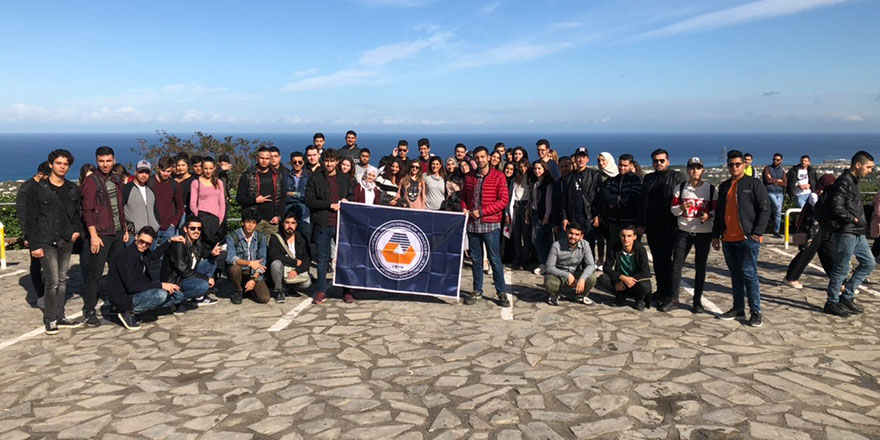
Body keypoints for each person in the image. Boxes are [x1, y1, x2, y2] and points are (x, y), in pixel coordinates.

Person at [26, 150, 84, 334]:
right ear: (51, 164)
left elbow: (76, 214)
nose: (62, 167)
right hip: (45, 240)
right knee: (52, 281)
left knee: (62, 279)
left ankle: (60, 315)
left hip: (66, 240)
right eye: (59, 163)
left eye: (66, 164)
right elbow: (31, 218)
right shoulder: (37, 189)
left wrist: (76, 231)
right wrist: (34, 245)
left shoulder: (72, 189)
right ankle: (51, 319)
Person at [713, 150, 771, 327]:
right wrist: (716, 235)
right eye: (731, 164)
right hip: (728, 239)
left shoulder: (753, 184)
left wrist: (757, 233)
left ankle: (755, 312)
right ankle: (738, 308)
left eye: (737, 164)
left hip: (747, 238)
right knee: (735, 275)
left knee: (749, 274)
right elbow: (719, 214)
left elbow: (765, 209)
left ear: (744, 165)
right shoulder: (723, 187)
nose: (734, 167)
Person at [822, 151, 875, 317]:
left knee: (869, 263)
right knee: (842, 268)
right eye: (868, 167)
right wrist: (854, 219)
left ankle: (847, 295)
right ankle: (832, 301)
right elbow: (836, 207)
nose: (870, 171)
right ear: (858, 165)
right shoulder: (844, 182)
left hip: (857, 233)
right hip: (847, 231)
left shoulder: (853, 181)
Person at [81, 146, 129, 327]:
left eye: (108, 161)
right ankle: (89, 310)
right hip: (101, 234)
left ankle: (116, 304)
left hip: (117, 232)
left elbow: (119, 207)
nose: (105, 164)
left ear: (114, 160)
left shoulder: (116, 180)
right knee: (95, 273)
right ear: (96, 161)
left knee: (116, 271)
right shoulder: (92, 181)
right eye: (101, 161)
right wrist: (93, 235)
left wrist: (124, 230)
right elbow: (88, 210)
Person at [108, 226, 185, 330]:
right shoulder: (126, 256)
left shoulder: (143, 252)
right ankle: (127, 312)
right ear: (136, 237)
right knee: (161, 295)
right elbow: (132, 287)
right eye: (141, 241)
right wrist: (161, 285)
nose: (143, 245)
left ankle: (141, 310)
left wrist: (170, 240)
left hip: (137, 292)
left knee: (178, 295)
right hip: (123, 297)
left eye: (147, 243)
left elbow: (154, 255)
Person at [305, 148, 355, 304]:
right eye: (326, 161)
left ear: (337, 162)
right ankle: (321, 291)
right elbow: (309, 201)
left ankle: (347, 291)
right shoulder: (315, 179)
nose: (329, 164)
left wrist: (348, 200)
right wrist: (329, 205)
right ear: (323, 161)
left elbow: (351, 195)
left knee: (344, 260)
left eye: (332, 161)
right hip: (323, 225)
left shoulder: (345, 179)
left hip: (342, 225)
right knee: (322, 260)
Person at [461, 147, 510, 307]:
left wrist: (481, 212)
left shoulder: (499, 176)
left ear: (488, 157)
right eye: (477, 157)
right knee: (476, 260)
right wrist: (464, 207)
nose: (480, 160)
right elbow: (464, 197)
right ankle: (477, 291)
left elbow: (503, 201)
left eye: (483, 157)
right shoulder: (469, 177)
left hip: (491, 225)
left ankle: (501, 292)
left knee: (495, 259)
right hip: (473, 226)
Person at [669, 157, 717, 313]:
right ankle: (674, 298)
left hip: (704, 233)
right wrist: (682, 207)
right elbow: (673, 210)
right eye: (692, 168)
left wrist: (708, 215)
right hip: (684, 230)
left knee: (700, 266)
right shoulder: (680, 188)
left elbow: (717, 210)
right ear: (687, 170)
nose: (695, 171)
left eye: (698, 168)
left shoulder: (711, 189)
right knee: (677, 265)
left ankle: (697, 301)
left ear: (703, 170)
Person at [638, 149, 684, 309]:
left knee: (668, 261)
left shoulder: (677, 177)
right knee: (657, 260)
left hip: (670, 226)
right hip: (652, 226)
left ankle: (670, 295)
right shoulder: (648, 178)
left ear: (668, 161)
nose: (658, 163)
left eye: (662, 160)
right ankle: (661, 290)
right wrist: (642, 223)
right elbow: (643, 201)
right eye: (656, 161)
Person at [783, 174, 836, 288]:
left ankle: (838, 282)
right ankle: (790, 277)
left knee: (829, 255)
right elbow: (820, 208)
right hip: (813, 230)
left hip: (825, 229)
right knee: (806, 254)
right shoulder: (814, 195)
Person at [160, 217, 222, 312]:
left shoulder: (197, 243)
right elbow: (182, 270)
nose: (196, 231)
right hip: (175, 280)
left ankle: (198, 297)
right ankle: (177, 300)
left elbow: (204, 254)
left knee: (211, 262)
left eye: (199, 229)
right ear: (185, 229)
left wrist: (212, 254)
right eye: (192, 228)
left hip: (187, 274)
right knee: (203, 285)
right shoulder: (179, 244)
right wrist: (206, 278)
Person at [17, 161, 49, 307]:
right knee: (36, 264)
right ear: (41, 174)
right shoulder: (27, 189)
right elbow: (24, 215)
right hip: (34, 233)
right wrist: (28, 236)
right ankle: (41, 294)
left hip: (46, 231)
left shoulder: (40, 186)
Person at [544, 222, 599, 306]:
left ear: (581, 236)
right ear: (567, 233)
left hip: (575, 272)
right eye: (571, 233)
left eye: (577, 234)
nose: (573, 237)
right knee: (550, 283)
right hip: (559, 274)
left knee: (592, 278)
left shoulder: (585, 245)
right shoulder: (556, 245)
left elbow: (591, 265)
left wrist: (582, 279)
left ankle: (580, 296)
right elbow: (549, 267)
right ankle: (554, 295)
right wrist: (567, 275)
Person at [597, 225, 652, 310]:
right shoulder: (615, 248)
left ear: (635, 237)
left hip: (635, 281)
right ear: (620, 236)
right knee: (603, 279)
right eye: (623, 236)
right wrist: (622, 277)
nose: (626, 239)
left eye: (629, 236)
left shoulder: (640, 249)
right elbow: (606, 267)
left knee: (645, 286)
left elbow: (645, 272)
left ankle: (639, 299)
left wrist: (629, 280)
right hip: (621, 280)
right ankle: (621, 295)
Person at [601, 154, 642, 261]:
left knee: (629, 249)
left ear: (631, 165)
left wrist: (616, 201)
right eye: (620, 165)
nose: (622, 168)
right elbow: (606, 196)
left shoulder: (636, 180)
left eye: (625, 165)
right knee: (611, 248)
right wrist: (618, 199)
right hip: (613, 221)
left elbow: (632, 199)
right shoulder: (613, 180)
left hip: (629, 221)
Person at [237, 147, 285, 237]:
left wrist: (279, 216)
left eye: (267, 158)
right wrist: (255, 200)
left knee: (271, 248)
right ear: (257, 158)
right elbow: (239, 197)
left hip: (272, 221)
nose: (264, 161)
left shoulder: (277, 175)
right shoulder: (247, 175)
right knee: (253, 248)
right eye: (262, 158)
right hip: (253, 221)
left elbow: (283, 197)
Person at [226, 208, 270, 305]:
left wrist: (254, 279)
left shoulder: (261, 237)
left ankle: (249, 289)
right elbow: (230, 258)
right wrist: (249, 263)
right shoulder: (232, 236)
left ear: (256, 224)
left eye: (253, 222)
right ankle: (238, 290)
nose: (250, 225)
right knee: (234, 269)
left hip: (253, 273)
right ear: (243, 222)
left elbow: (262, 262)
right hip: (240, 271)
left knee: (264, 298)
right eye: (247, 222)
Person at [560, 148, 603, 247]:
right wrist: (565, 217)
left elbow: (600, 197)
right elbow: (565, 199)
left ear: (587, 159)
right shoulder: (569, 177)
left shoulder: (594, 175)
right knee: (573, 244)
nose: (581, 160)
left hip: (588, 217)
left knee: (588, 245)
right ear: (575, 159)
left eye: (583, 157)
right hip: (573, 217)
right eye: (578, 157)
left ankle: (588, 263)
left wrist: (598, 215)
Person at [268, 212, 313, 302]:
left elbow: (308, 259)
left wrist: (297, 271)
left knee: (307, 283)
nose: (290, 226)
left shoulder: (302, 238)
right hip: (282, 268)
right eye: (287, 222)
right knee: (275, 264)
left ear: (296, 225)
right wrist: (294, 262)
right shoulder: (275, 237)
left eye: (293, 223)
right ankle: (279, 290)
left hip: (295, 269)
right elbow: (274, 255)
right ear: (282, 224)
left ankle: (291, 288)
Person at [190, 157, 227, 248]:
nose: (208, 171)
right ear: (202, 168)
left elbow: (222, 202)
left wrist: (220, 220)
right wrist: (199, 218)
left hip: (215, 219)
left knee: (215, 246)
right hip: (202, 218)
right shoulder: (196, 183)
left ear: (214, 168)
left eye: (210, 168)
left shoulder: (219, 182)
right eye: (206, 168)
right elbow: (192, 203)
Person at [123, 160, 161, 246]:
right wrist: (127, 228)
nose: (144, 175)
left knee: (150, 259)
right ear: (135, 172)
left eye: (147, 172)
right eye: (141, 171)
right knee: (132, 259)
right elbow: (120, 211)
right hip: (134, 235)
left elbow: (155, 209)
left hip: (151, 235)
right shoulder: (126, 189)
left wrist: (157, 225)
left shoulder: (151, 190)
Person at [527, 161, 555, 274]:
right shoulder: (534, 182)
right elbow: (532, 199)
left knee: (537, 239)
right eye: (535, 168)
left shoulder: (548, 184)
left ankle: (544, 263)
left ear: (544, 169)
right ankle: (547, 263)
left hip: (543, 215)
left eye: (539, 168)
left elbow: (548, 201)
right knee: (543, 240)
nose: (537, 171)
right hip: (534, 213)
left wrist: (547, 216)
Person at [150, 156, 184, 247]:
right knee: (149, 255)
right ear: (158, 168)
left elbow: (180, 206)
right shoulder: (149, 182)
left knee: (166, 256)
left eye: (168, 171)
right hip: (151, 226)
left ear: (172, 169)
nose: (165, 174)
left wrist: (174, 223)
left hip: (168, 227)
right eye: (163, 170)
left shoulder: (175, 185)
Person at [507, 159, 532, 270]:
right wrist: (508, 212)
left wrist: (527, 211)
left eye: (525, 166)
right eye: (520, 166)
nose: (523, 169)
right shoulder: (515, 180)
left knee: (526, 236)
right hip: (516, 206)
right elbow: (510, 197)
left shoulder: (531, 179)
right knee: (516, 235)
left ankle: (524, 260)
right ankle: (517, 259)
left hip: (526, 207)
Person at [595, 152, 619, 266]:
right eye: (599, 161)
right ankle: (600, 259)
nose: (601, 163)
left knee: (611, 238)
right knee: (600, 237)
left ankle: (610, 261)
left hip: (613, 212)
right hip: (600, 210)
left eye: (603, 160)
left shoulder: (616, 175)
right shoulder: (597, 175)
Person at [286, 151, 311, 239]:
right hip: (288, 210)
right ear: (291, 163)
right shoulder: (285, 177)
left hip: (305, 211)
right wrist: (301, 196)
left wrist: (293, 194)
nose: (297, 164)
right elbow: (284, 196)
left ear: (303, 162)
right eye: (294, 162)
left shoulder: (309, 178)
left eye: (299, 162)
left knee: (305, 235)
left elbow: (308, 196)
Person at [762, 153, 786, 238]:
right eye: (774, 159)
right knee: (776, 206)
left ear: (781, 160)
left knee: (778, 212)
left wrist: (774, 181)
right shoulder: (767, 168)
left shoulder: (782, 170)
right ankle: (771, 219)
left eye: (777, 160)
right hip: (770, 191)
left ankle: (776, 231)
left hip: (779, 193)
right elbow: (767, 180)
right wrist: (778, 181)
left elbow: (785, 183)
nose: (775, 161)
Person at [174, 154, 197, 219]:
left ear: (188, 166)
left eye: (183, 165)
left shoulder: (194, 180)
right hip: (174, 213)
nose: (180, 168)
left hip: (187, 212)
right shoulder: (173, 181)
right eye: (178, 165)